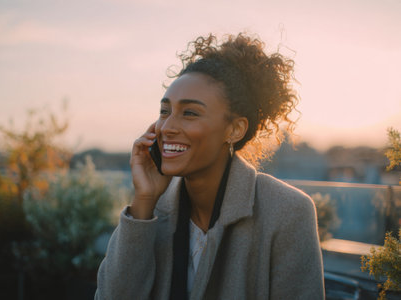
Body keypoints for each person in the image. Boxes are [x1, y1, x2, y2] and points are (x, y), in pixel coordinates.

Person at [95, 33, 325, 300]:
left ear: (235, 129)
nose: (167, 127)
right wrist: (144, 200)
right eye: (165, 111)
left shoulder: (286, 212)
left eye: (190, 113)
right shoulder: (151, 210)